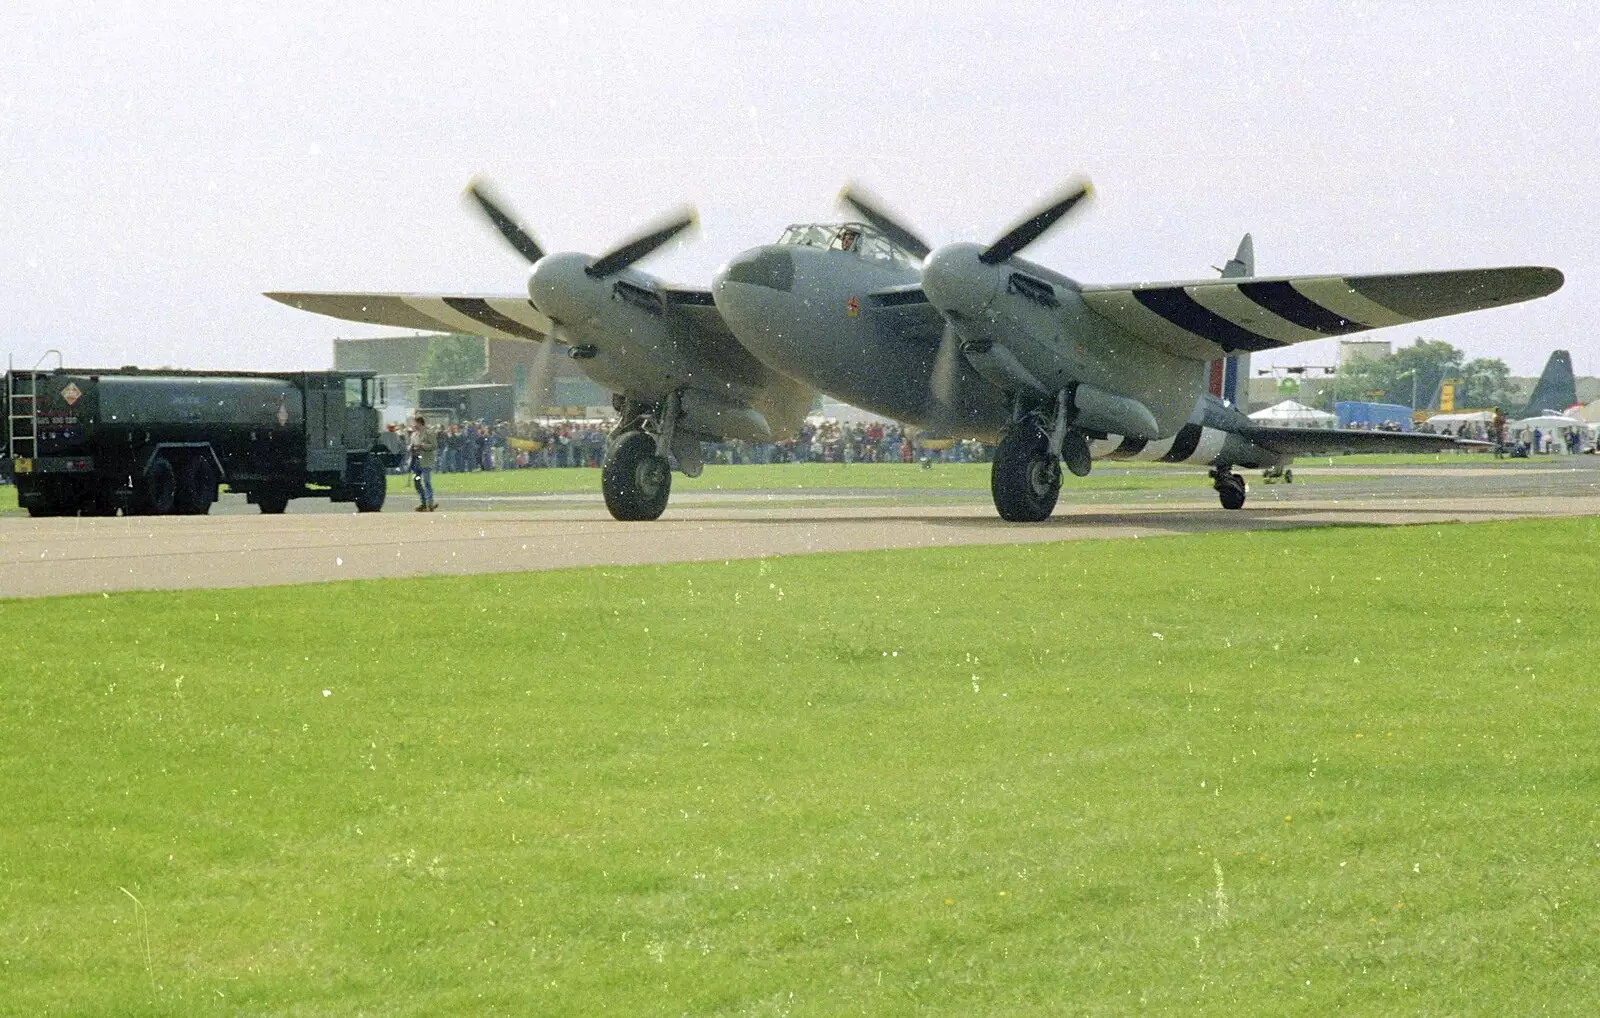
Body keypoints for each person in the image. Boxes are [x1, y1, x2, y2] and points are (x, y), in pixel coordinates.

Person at [407, 413, 437, 511]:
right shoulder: (414, 434)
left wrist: (422, 446)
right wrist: (410, 448)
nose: (414, 425)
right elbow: (410, 445)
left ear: (420, 423)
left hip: (425, 461)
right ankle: (423, 502)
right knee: (417, 481)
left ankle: (430, 504)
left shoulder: (429, 433)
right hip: (416, 461)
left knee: (427, 482)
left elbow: (433, 446)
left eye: (415, 423)